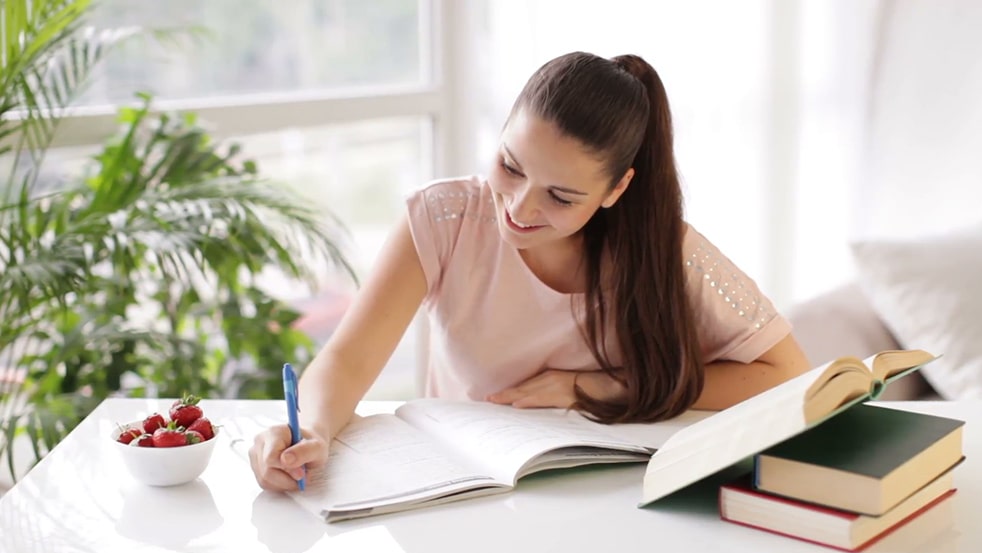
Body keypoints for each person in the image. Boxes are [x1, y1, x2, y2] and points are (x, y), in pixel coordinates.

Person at [249, 51, 809, 491]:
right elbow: (348, 359)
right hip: (461, 492)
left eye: (561, 197)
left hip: (617, 501)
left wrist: (596, 388)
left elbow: (788, 373)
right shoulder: (444, 219)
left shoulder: (669, 252)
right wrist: (312, 432)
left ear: (616, 190)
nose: (518, 208)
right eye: (509, 167)